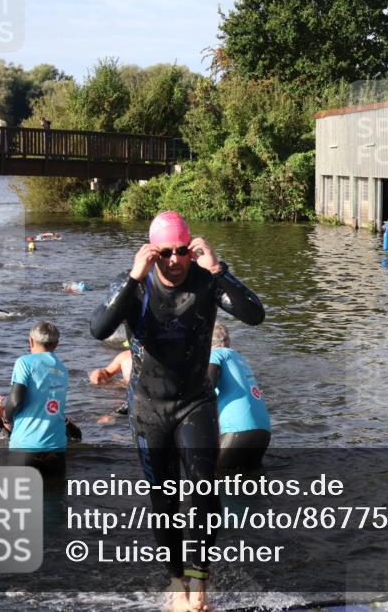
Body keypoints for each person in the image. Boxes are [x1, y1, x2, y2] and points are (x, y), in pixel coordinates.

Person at [89, 210, 264, 612]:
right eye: (165, 252)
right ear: (153, 252)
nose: (174, 260)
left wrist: (218, 269)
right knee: (164, 500)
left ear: (191, 249)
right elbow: (98, 328)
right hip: (148, 408)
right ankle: (176, 580)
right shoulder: (135, 283)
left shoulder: (206, 281)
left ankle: (200, 583)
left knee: (204, 492)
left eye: (181, 251)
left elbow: (255, 315)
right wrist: (134, 276)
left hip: (195, 402)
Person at [2, 322, 70, 475]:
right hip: (56, 446)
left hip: (26, 446)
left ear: (30, 341)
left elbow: (15, 400)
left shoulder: (24, 362)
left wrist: (6, 418)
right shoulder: (63, 369)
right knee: (54, 497)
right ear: (57, 344)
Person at [209, 323, 271, 474]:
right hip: (263, 432)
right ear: (228, 341)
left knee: (214, 478)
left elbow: (207, 387)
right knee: (251, 485)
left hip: (239, 431)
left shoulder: (215, 355)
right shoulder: (239, 359)